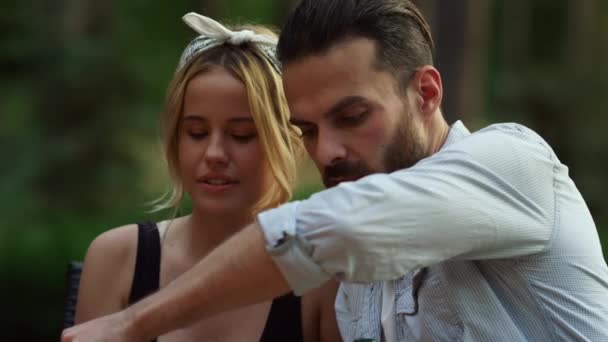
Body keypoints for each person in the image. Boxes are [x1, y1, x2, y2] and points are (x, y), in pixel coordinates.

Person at [62, 1, 608, 341]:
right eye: (308, 130)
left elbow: (334, 228)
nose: (327, 153)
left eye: (351, 117)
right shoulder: (357, 286)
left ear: (426, 92)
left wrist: (132, 324)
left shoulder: (513, 164)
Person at [71, 12, 340, 342]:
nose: (214, 154)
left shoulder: (322, 279)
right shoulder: (116, 259)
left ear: (288, 140)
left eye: (241, 135)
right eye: (196, 133)